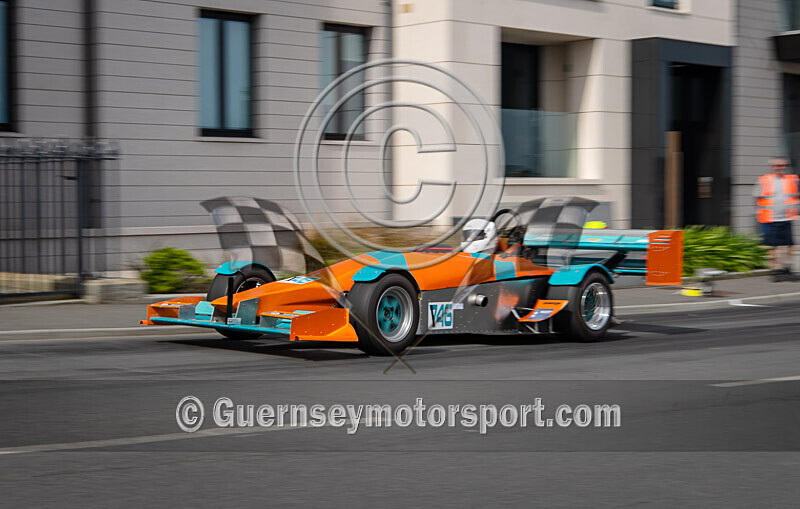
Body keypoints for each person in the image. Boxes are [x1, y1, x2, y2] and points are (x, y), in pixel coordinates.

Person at [754, 158, 799, 281]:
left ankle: (787, 269)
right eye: (777, 165)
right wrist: (760, 214)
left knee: (789, 246)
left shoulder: (792, 179)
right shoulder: (764, 180)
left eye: (783, 165)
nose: (780, 167)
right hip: (769, 219)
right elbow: (757, 198)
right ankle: (775, 271)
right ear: (772, 167)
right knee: (772, 247)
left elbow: (796, 197)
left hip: (787, 218)